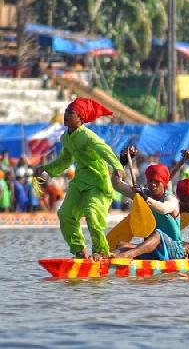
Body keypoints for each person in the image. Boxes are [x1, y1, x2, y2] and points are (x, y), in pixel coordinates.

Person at [35, 98, 125, 260]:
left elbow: (105, 151)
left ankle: (101, 251)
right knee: (65, 214)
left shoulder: (88, 136)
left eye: (71, 113)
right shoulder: (66, 138)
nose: (66, 115)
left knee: (92, 213)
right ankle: (79, 251)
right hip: (80, 181)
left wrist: (117, 167)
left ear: (80, 118)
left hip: (98, 182)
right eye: (66, 112)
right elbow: (64, 161)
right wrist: (45, 168)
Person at [112, 159, 184, 260]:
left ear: (163, 183)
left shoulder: (171, 199)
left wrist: (145, 198)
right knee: (121, 245)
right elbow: (116, 184)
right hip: (153, 249)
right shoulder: (143, 193)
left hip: (174, 251)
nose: (153, 184)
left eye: (157, 181)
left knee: (158, 234)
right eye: (150, 181)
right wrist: (122, 162)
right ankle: (106, 259)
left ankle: (127, 255)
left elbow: (163, 209)